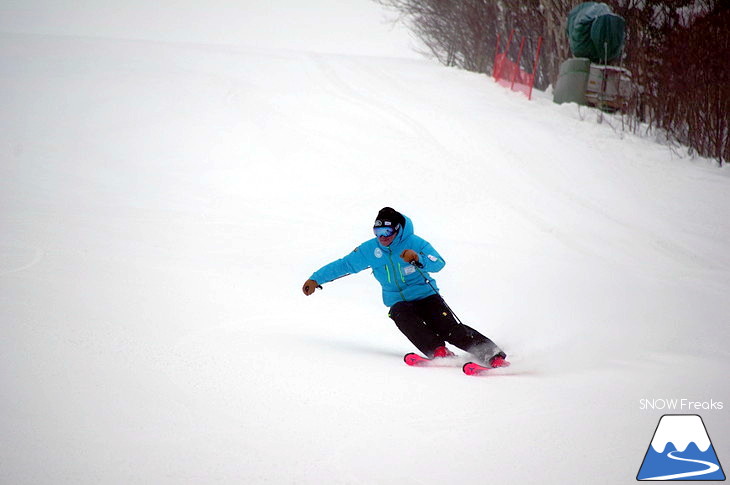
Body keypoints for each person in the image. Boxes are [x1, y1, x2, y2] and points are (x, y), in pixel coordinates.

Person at [302, 207, 507, 367]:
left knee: (448, 328)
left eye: (387, 230)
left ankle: (493, 355)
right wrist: (316, 279)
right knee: (401, 315)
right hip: (399, 301)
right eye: (378, 231)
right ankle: (438, 352)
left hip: (426, 296)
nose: (382, 236)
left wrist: (418, 258)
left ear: (398, 229)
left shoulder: (414, 243)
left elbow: (438, 262)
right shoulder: (370, 249)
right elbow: (344, 265)